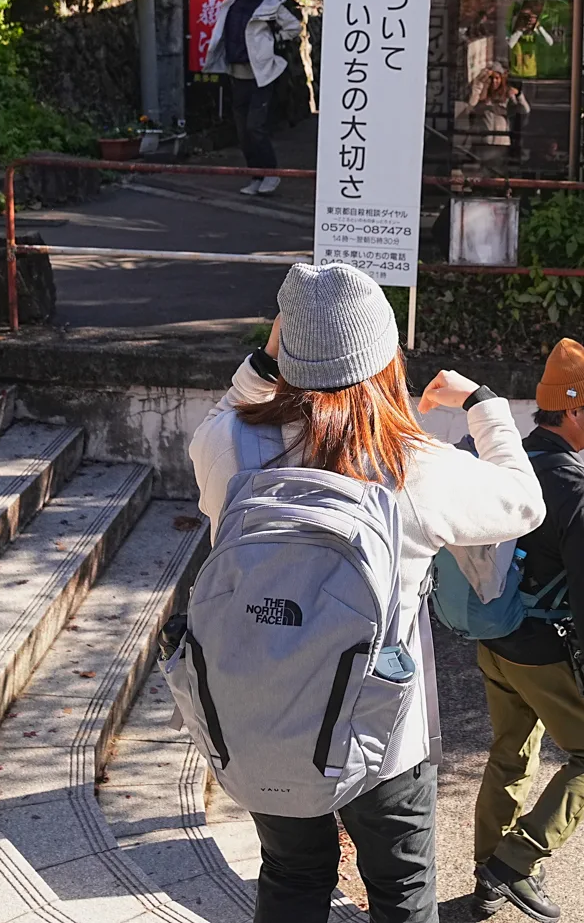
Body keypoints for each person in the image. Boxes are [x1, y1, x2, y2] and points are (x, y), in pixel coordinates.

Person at [187, 261, 545, 923]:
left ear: (286, 350)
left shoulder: (231, 444)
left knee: (292, 876)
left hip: (266, 720)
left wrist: (269, 354)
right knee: (402, 895)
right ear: (384, 361)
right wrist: (483, 404)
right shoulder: (410, 464)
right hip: (386, 738)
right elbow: (525, 503)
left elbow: (217, 418)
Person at [471, 338, 584, 922]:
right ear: (574, 411)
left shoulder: (509, 461)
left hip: (494, 637)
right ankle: (512, 864)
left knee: (511, 754)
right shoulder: (583, 492)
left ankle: (487, 876)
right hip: (545, 652)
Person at [200, 0, 303, 195]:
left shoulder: (273, 6)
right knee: (242, 131)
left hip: (262, 74)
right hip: (237, 72)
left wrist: (272, 43)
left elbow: (294, 27)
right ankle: (256, 176)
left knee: (255, 126)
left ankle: (271, 174)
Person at [454, 63, 530, 171]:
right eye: (491, 78)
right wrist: (481, 81)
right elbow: (471, 105)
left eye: (497, 78)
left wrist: (518, 96)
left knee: (497, 173)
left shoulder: (507, 96)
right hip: (483, 143)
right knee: (482, 172)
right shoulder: (482, 96)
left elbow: (525, 110)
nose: (494, 81)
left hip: (501, 144)